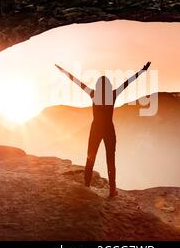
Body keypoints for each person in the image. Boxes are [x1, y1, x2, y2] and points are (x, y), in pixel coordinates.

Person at [55, 62, 151, 197]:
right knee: (110, 160)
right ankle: (112, 190)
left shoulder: (93, 93)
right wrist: (143, 70)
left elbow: (76, 81)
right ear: (109, 86)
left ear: (98, 86)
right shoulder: (113, 94)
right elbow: (129, 82)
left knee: (90, 157)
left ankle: (87, 185)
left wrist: (62, 70)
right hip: (109, 129)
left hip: (95, 129)